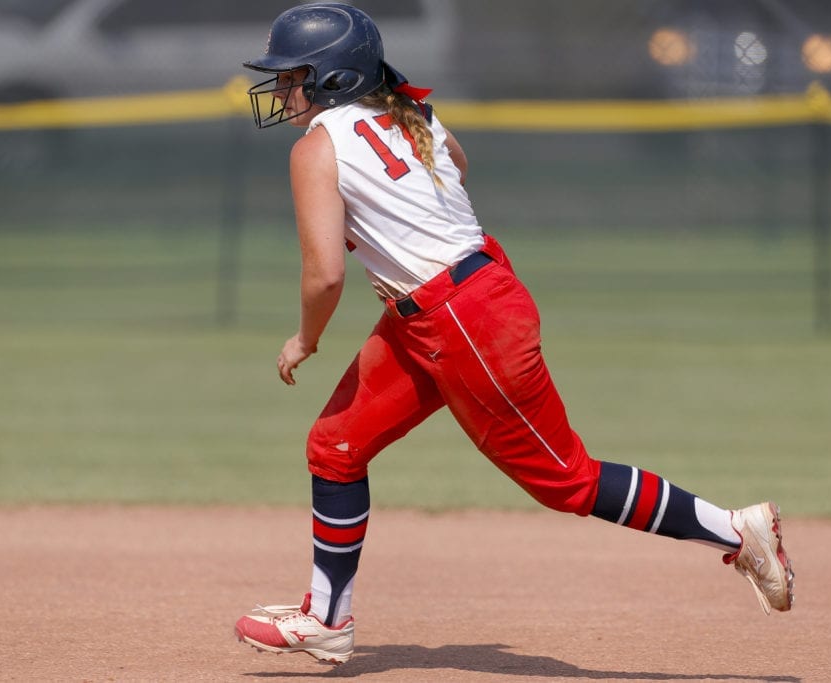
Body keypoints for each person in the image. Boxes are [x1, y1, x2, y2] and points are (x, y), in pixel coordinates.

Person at [234, 2, 794, 666]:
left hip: (464, 320)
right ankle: (327, 618)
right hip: (445, 308)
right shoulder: (415, 114)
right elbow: (457, 169)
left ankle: (737, 531)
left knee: (569, 482)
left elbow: (325, 276)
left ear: (331, 79)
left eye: (293, 74)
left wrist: (305, 339)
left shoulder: (316, 147)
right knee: (335, 446)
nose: (282, 88)